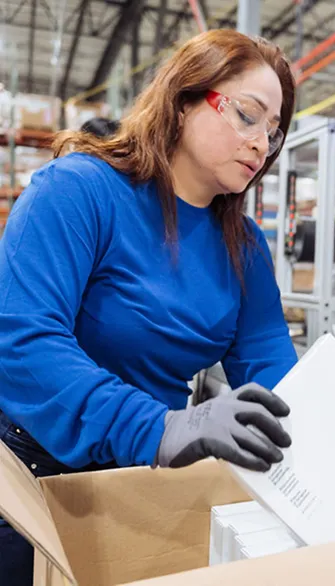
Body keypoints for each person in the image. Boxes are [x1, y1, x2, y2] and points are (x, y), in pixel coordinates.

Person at [0, 29, 298, 585]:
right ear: (184, 100)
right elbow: (23, 345)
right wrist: (160, 426)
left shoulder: (244, 246)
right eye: (247, 115)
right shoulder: (78, 192)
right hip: (33, 478)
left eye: (274, 132)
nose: (262, 143)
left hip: (145, 481)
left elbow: (275, 370)